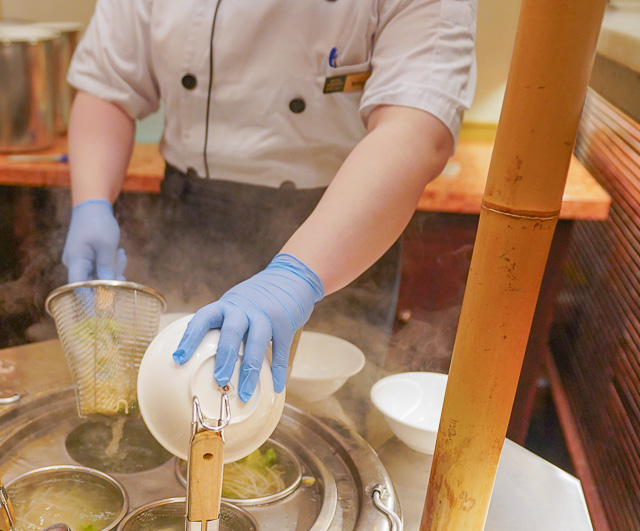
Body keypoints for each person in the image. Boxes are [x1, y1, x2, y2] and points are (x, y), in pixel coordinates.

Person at [60, 0, 476, 403]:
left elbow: (417, 131)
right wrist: (91, 202)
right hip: (188, 218)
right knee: (174, 397)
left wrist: (295, 277)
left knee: (331, 420)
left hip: (341, 230)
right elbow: (108, 86)